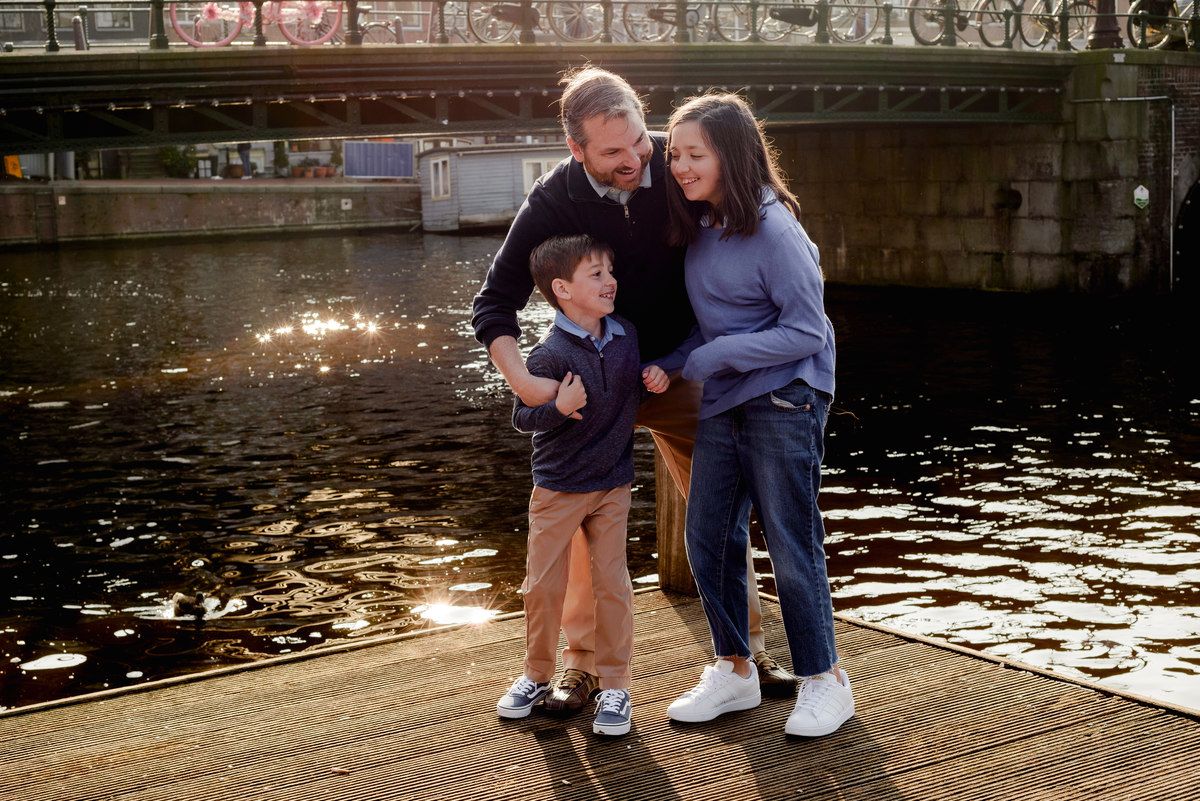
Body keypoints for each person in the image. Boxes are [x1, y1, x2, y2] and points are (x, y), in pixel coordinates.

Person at [472, 66, 793, 715]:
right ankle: (581, 668)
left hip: (676, 370)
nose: (635, 158)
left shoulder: (676, 173)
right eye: (613, 151)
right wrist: (528, 383)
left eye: (638, 141)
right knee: (583, 523)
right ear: (578, 150)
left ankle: (743, 652)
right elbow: (493, 305)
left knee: (721, 504)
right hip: (589, 384)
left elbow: (749, 223)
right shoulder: (555, 198)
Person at [658, 93, 853, 737]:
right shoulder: (706, 224)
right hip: (727, 399)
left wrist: (717, 354)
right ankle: (736, 671)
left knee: (791, 541)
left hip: (785, 398)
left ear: (732, 155)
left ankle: (824, 681)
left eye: (694, 155)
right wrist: (680, 359)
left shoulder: (775, 229)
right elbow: (717, 322)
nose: (680, 166)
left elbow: (808, 330)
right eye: (673, 154)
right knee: (708, 534)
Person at [496, 233, 670, 737]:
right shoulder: (549, 354)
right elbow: (523, 417)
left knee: (612, 583)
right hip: (559, 487)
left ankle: (616, 686)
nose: (610, 281)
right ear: (562, 289)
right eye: (595, 274)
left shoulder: (627, 336)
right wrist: (559, 409)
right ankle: (535, 675)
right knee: (544, 586)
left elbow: (630, 383)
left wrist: (653, 377)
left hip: (613, 483)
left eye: (609, 271)